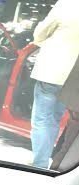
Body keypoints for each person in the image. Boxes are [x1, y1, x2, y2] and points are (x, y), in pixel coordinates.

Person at [30, 0, 79, 169]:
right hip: (73, 78)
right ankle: (49, 163)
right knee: (56, 119)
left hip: (51, 71)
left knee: (43, 120)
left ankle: (39, 165)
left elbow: (39, 34)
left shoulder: (67, 4)